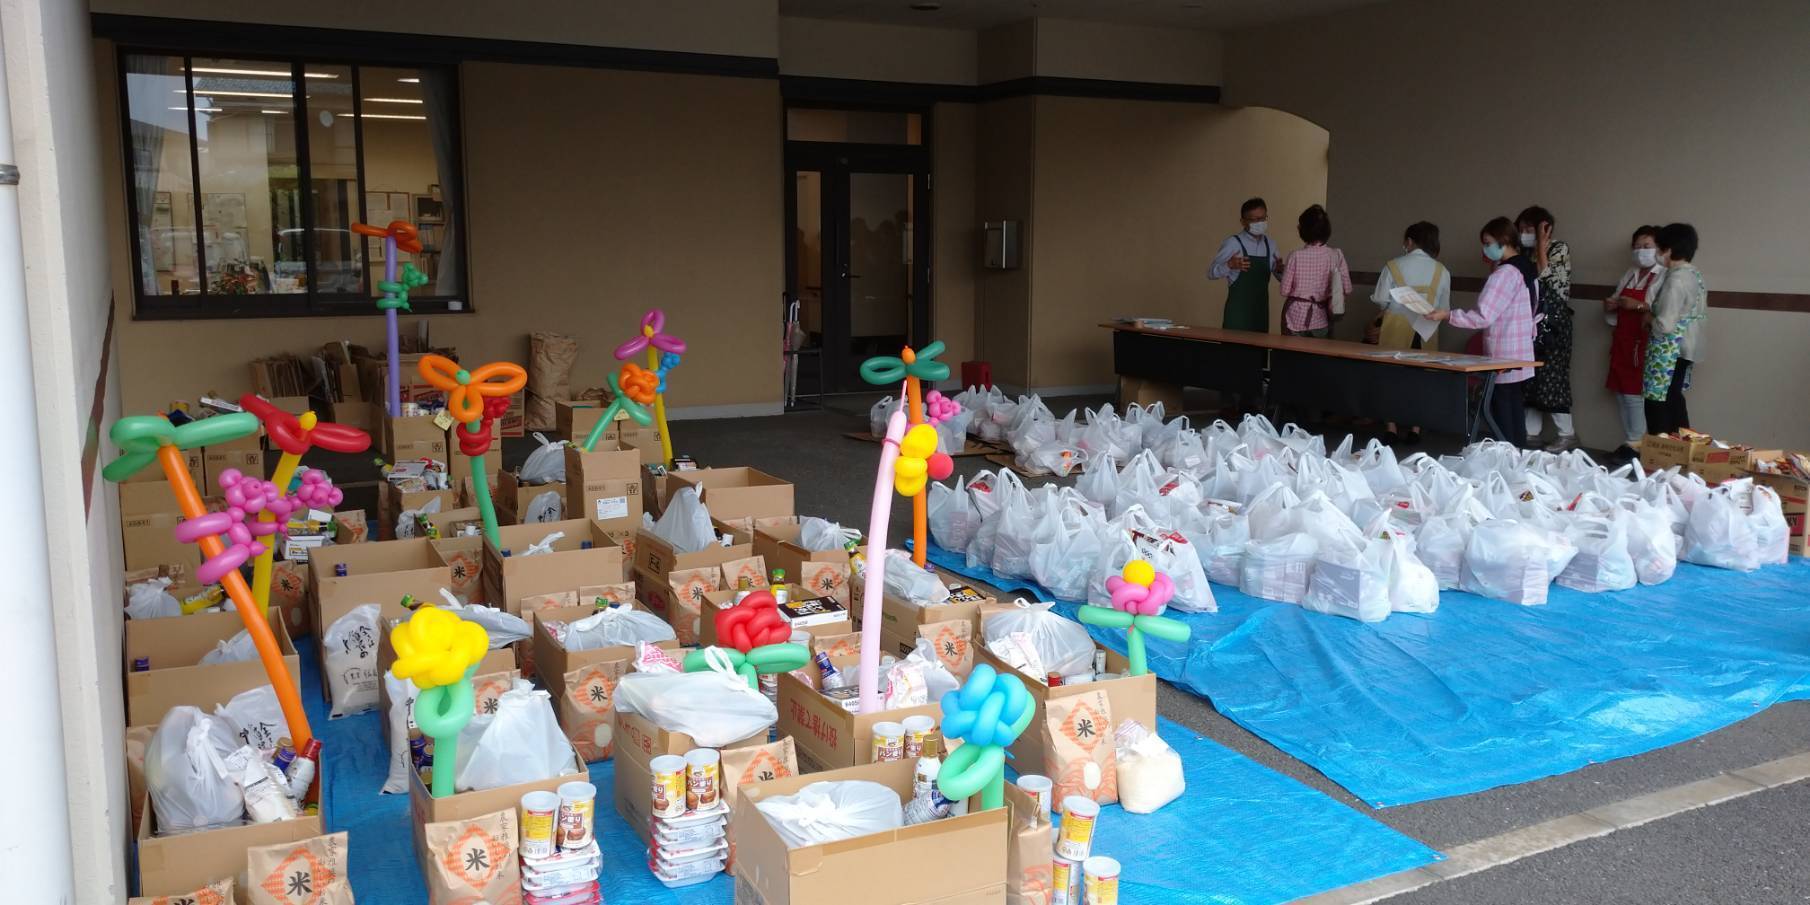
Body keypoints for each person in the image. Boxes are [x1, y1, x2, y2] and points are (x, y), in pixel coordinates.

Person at [1426, 218, 1536, 446]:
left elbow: (1483, 316)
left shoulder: (1504, 274)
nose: (1485, 249)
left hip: (1502, 352)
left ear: (1504, 240)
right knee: (1515, 407)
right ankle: (1519, 455)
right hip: (1522, 349)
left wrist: (1447, 315)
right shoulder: (1527, 268)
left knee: (1502, 410)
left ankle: (1507, 457)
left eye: (1487, 243)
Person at [1369, 220, 1452, 444]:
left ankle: (1391, 428)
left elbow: (1381, 299)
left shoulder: (1393, 265)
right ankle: (1416, 428)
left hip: (1396, 325)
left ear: (1409, 241)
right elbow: (1445, 308)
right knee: (1422, 379)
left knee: (1390, 376)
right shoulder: (1442, 270)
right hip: (1427, 328)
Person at [1601, 226, 1667, 461]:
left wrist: (1637, 306)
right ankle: (1630, 440)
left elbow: (1663, 311)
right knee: (1620, 392)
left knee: (1634, 394)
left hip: (1643, 341)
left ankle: (1637, 443)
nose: (1641, 251)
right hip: (1622, 340)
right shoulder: (1630, 272)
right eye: (1637, 246)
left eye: (1647, 246)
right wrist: (1612, 305)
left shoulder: (1664, 275)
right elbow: (1617, 302)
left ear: (1659, 248)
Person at [1516, 206, 1576, 450]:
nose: (1524, 234)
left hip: (1553, 322)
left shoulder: (1558, 248)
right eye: (1521, 229)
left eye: (1530, 229)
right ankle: (1530, 433)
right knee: (1529, 377)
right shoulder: (1522, 253)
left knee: (1553, 377)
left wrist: (1541, 244)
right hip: (1528, 320)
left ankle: (1567, 434)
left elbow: (1545, 273)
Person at [1642, 222, 1707, 437]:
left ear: (1668, 250)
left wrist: (1649, 318)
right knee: (1674, 398)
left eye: (1658, 248)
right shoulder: (1694, 274)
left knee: (1658, 402)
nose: (1657, 254)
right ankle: (1683, 448)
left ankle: (1661, 450)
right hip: (1687, 347)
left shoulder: (1676, 279)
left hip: (1669, 350)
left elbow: (1665, 324)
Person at [1278, 204, 1352, 338]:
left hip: (1294, 318)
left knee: (1292, 352)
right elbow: (1347, 288)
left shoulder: (1295, 256)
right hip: (1321, 318)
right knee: (1318, 351)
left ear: (1303, 230)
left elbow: (1284, 291)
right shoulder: (1336, 255)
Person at [1209, 197, 1282, 332]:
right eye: (1254, 220)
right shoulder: (1233, 243)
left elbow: (1281, 278)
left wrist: (1280, 270)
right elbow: (1211, 273)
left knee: (1259, 345)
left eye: (1263, 218)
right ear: (1243, 222)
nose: (1259, 223)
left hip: (1260, 313)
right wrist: (1229, 265)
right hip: (1237, 315)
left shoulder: (1271, 244)